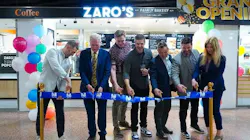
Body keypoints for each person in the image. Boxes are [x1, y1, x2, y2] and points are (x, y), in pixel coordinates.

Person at [36, 41, 78, 140]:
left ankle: (61, 135)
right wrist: (67, 78)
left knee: (60, 112)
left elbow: (63, 80)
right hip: (44, 87)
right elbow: (56, 67)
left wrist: (62, 91)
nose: (73, 54)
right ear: (68, 47)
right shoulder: (52, 52)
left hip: (58, 89)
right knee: (41, 112)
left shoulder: (68, 62)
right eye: (72, 52)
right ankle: (39, 135)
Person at [192, 37, 226, 140]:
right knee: (206, 110)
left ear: (216, 47)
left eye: (211, 47)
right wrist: (194, 79)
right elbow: (197, 70)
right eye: (207, 47)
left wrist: (210, 85)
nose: (209, 49)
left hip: (216, 87)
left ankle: (219, 133)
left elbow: (219, 75)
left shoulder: (222, 58)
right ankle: (209, 131)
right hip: (204, 88)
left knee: (215, 109)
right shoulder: (202, 57)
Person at [79, 33, 111, 140]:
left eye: (96, 45)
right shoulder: (84, 54)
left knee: (102, 111)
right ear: (90, 43)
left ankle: (102, 132)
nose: (94, 48)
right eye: (92, 45)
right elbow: (82, 71)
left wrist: (101, 86)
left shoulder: (106, 54)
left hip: (102, 88)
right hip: (87, 87)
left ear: (100, 44)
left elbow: (107, 72)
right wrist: (87, 84)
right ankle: (92, 133)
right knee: (90, 112)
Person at [171, 37, 204, 139]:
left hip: (195, 88)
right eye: (184, 48)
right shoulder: (176, 59)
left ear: (191, 46)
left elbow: (200, 68)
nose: (186, 50)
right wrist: (178, 85)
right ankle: (183, 129)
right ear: (181, 46)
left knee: (195, 107)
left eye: (188, 47)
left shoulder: (196, 53)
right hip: (183, 89)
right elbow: (175, 74)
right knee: (183, 110)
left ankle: (194, 124)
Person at [123, 34, 153, 140]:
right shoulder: (130, 56)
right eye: (137, 44)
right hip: (134, 87)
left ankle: (144, 127)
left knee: (144, 108)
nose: (139, 46)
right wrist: (128, 86)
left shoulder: (149, 53)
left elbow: (153, 67)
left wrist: (148, 71)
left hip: (145, 86)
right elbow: (126, 73)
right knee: (134, 109)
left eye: (141, 44)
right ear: (134, 43)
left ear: (144, 43)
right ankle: (134, 130)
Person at [109, 30, 131, 138]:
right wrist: (116, 84)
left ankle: (122, 120)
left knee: (126, 100)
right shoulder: (112, 50)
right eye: (118, 41)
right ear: (115, 39)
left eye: (122, 40)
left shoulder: (129, 45)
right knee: (117, 102)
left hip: (127, 76)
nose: (121, 43)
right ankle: (116, 125)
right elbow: (112, 68)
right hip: (117, 76)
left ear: (125, 38)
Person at [149, 42, 173, 139]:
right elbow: (153, 77)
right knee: (159, 110)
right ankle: (159, 131)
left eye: (165, 52)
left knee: (167, 108)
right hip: (159, 90)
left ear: (168, 50)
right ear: (158, 51)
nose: (163, 54)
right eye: (161, 52)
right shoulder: (154, 61)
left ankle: (163, 126)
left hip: (168, 88)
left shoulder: (170, 58)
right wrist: (155, 88)